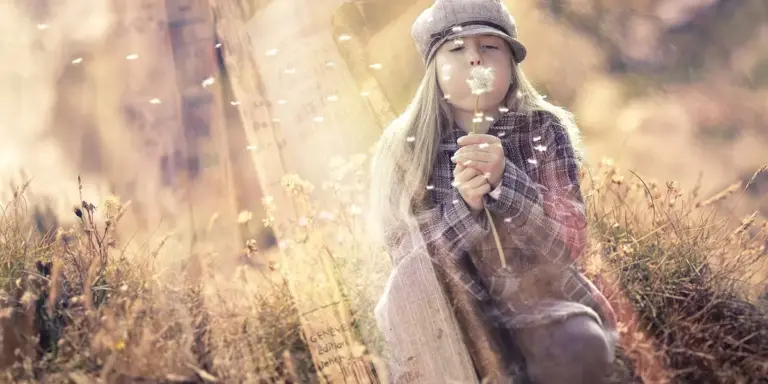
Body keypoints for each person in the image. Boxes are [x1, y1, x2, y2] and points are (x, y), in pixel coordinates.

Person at [366, 0, 619, 383]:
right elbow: (407, 264)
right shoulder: (406, 146)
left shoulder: (543, 129)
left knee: (580, 347)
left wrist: (508, 182)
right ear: (433, 68)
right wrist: (464, 206)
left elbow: (569, 243)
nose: (475, 58)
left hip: (541, 299)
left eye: (489, 46)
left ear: (511, 63)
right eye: (456, 48)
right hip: (450, 311)